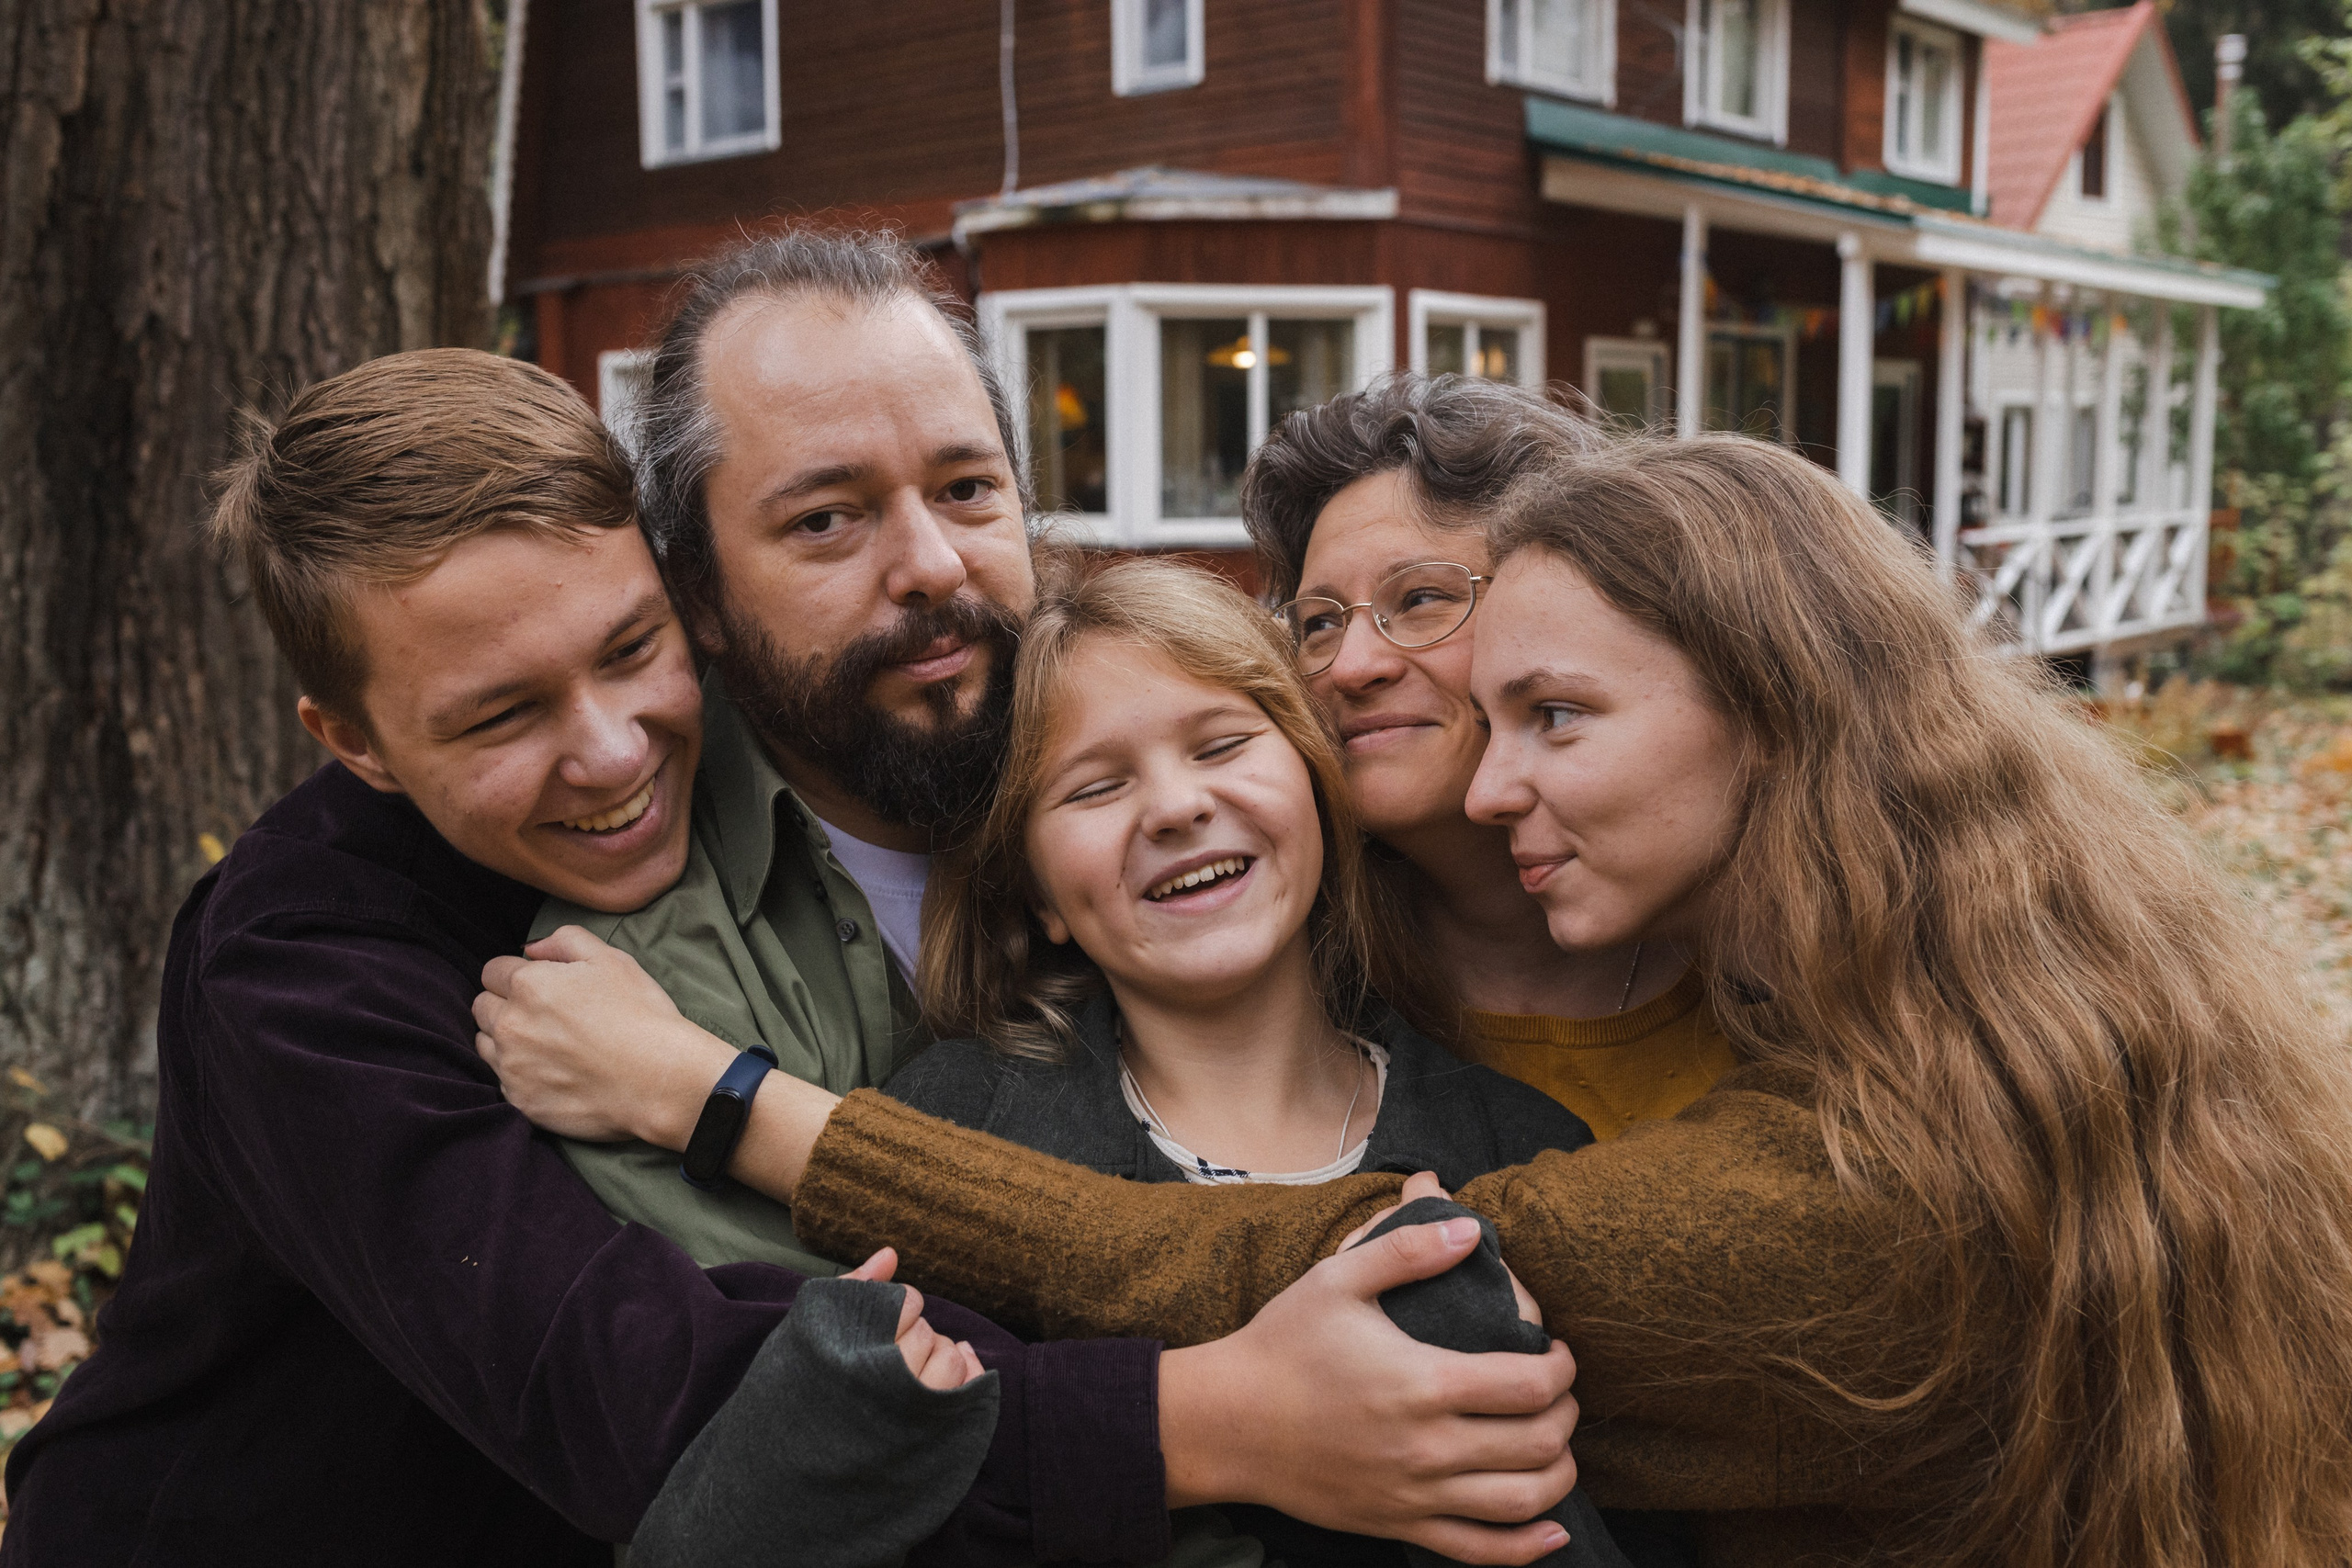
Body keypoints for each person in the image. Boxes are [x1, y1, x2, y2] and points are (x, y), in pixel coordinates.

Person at [482, 433, 2352, 1566]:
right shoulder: (1969, 1004)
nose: (1480, 783)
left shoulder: (1730, 1160)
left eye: (1551, 719)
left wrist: (718, 1094)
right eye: (1088, 782)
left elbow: (1296, 1264)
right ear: (1027, 884)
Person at [0, 346, 1584, 1567]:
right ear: (351, 740)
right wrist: (1213, 1419)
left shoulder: (869, 756)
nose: (614, 749)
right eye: (498, 714)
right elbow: (651, 1400)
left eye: (635, 651)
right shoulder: (297, 973)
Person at [896, 557, 1626, 1566]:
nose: (1174, 807)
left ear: (1317, 787)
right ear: (1039, 898)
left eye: (1224, 744)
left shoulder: (1529, 1145)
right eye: (1096, 786)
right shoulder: (945, 1131)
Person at [1243, 377, 1735, 1141]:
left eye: (1420, 599)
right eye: (1319, 622)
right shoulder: (1283, 967)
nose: (1351, 665)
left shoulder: (1770, 945)